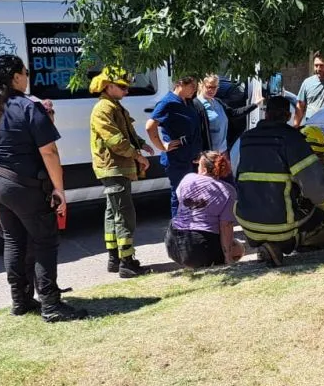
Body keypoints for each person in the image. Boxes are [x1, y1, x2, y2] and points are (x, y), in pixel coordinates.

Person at [0, 54, 88, 322]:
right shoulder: (28, 107)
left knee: (14, 241)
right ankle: (51, 305)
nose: (27, 76)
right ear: (15, 77)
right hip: (23, 186)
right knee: (44, 240)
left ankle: (21, 301)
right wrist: (59, 189)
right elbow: (49, 151)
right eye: (25, 72)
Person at [236, 96, 324, 267]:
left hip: (247, 223)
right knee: (318, 214)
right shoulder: (292, 139)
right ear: (287, 116)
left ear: (266, 115)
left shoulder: (247, 139)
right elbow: (317, 189)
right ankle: (284, 244)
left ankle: (266, 243)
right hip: (279, 226)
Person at [90, 67, 154, 278]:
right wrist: (138, 156)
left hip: (116, 167)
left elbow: (127, 132)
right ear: (108, 86)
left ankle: (114, 258)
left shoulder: (114, 106)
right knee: (124, 214)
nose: (127, 91)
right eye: (122, 87)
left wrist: (142, 144)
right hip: (113, 167)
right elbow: (115, 140)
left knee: (113, 212)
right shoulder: (103, 109)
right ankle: (127, 262)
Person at [165, 151, 246, 268]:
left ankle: (189, 261)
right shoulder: (228, 191)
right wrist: (228, 258)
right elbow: (226, 225)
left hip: (173, 243)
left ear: (203, 168)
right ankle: (215, 258)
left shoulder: (187, 179)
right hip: (202, 247)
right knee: (238, 247)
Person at [146, 76, 203, 218]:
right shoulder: (168, 103)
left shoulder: (188, 102)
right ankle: (178, 230)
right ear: (180, 84)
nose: (194, 90)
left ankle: (189, 228)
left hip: (191, 156)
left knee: (191, 194)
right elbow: (150, 126)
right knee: (179, 193)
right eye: (192, 86)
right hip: (177, 158)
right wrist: (162, 146)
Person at [193, 74, 261, 154]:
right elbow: (194, 132)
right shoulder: (196, 104)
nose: (212, 90)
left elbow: (233, 113)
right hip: (208, 155)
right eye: (209, 87)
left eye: (215, 87)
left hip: (222, 151)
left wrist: (254, 105)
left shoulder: (217, 102)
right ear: (202, 86)